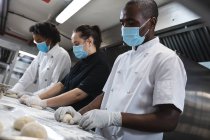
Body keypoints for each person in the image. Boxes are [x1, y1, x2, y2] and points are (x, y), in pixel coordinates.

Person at [54, 0, 187, 140]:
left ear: (152, 22)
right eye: (122, 23)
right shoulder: (122, 58)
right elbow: (106, 96)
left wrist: (115, 118)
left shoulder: (167, 60)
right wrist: (79, 114)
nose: (124, 28)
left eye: (131, 22)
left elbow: (168, 120)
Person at [20, 25, 110, 111]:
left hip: (78, 117)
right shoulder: (82, 62)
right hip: (64, 111)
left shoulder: (101, 64)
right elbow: (61, 85)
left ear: (89, 41)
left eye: (76, 43)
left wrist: (43, 103)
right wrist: (37, 97)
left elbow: (78, 94)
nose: (74, 48)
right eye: (73, 44)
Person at [7, 22, 71, 97]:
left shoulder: (62, 55)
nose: (37, 44)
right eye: (35, 41)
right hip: (40, 97)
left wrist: (33, 96)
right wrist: (14, 90)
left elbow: (55, 85)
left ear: (49, 39)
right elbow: (30, 73)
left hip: (53, 100)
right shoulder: (42, 53)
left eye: (39, 41)